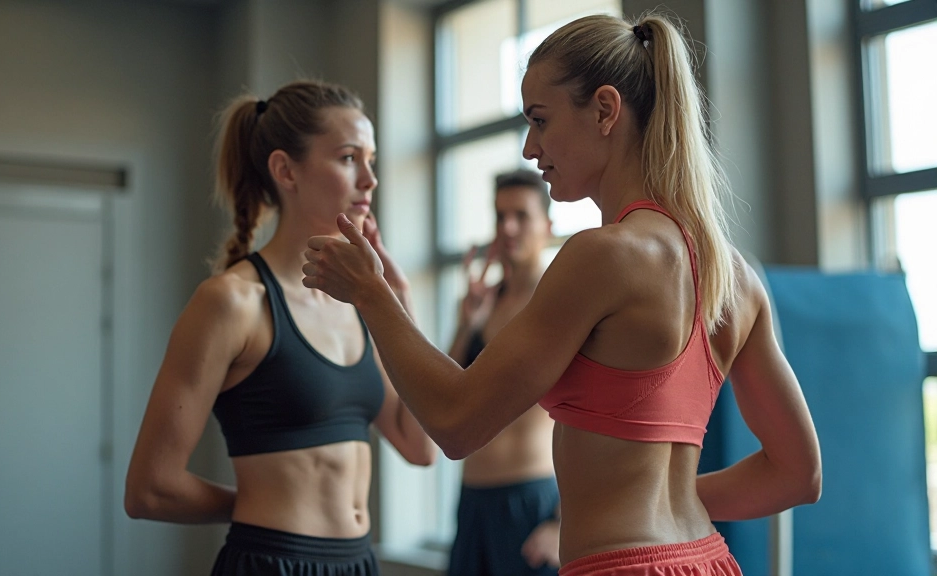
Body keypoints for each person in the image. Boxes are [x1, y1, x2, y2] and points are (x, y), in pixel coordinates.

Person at [302, 13, 822, 576]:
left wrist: (370, 293)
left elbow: (455, 423)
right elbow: (798, 474)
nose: (530, 147)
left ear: (604, 110)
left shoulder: (602, 256)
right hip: (708, 559)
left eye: (541, 120)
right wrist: (666, 502)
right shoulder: (736, 275)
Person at [124, 80, 436, 576]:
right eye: (349, 158)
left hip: (359, 564)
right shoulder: (230, 302)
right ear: (285, 170)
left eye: (371, 159)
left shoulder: (360, 302)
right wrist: (253, 503)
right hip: (273, 562)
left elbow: (419, 447)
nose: (370, 179)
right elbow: (149, 488)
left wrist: (400, 304)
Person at [446, 169, 560, 576]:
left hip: (530, 499)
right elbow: (445, 393)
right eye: (499, 216)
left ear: (546, 225)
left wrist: (563, 522)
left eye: (520, 215)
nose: (508, 226)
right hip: (472, 497)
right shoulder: (482, 301)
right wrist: (466, 325)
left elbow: (595, 418)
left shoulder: (560, 302)